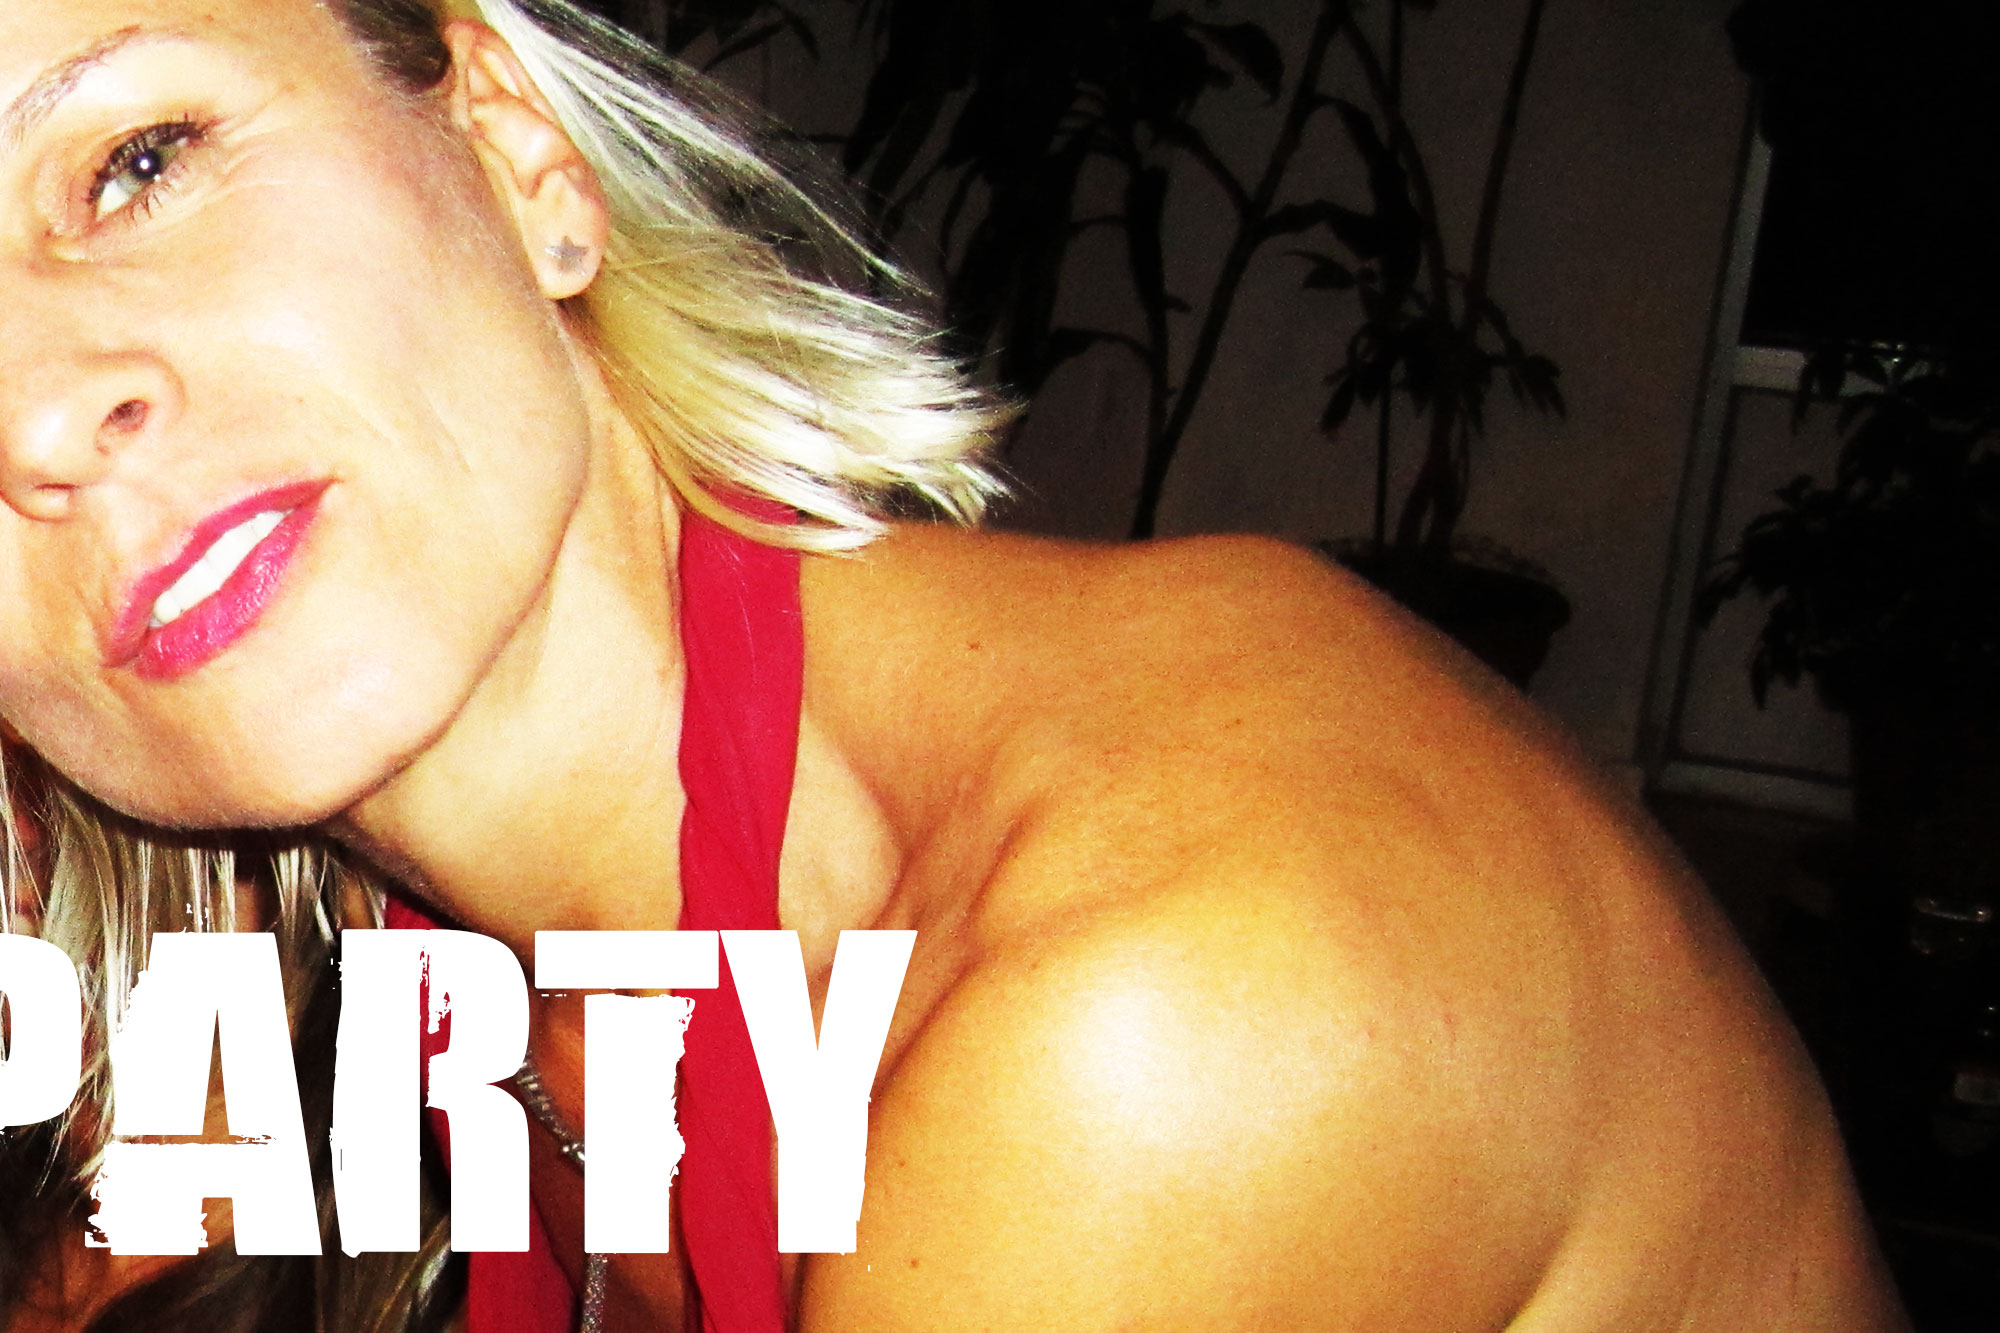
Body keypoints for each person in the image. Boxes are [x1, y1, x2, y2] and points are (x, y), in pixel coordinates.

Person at [0, 0, 1911, 1329]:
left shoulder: (1138, 1017)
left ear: (518, 149)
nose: (43, 417)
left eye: (136, 162)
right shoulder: (395, 938)